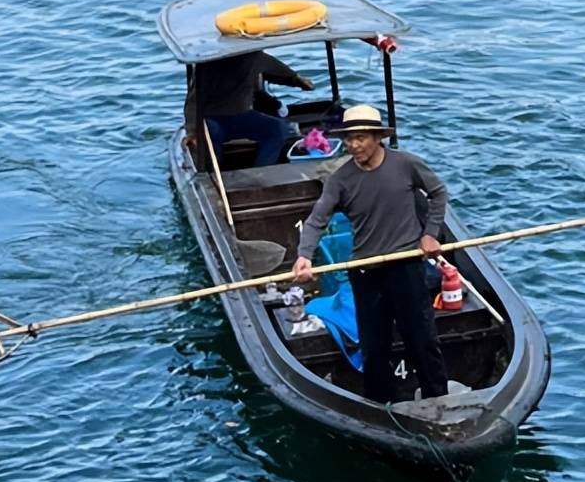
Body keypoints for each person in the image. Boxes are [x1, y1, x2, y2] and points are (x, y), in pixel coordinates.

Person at [292, 104, 449, 402]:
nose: (354, 145)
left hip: (406, 266)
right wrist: (304, 255)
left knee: (422, 340)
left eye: (361, 138)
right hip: (366, 272)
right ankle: (379, 405)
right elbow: (317, 220)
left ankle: (438, 400)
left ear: (377, 137)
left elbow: (439, 193)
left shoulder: (406, 165)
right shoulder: (341, 179)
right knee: (374, 347)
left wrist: (430, 234)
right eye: (350, 139)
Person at [183, 51, 313, 168]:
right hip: (212, 118)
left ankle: (262, 170)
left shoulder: (254, 57)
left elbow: (277, 68)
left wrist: (296, 79)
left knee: (278, 129)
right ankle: (213, 172)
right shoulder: (208, 64)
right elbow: (193, 100)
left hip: (241, 116)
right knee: (210, 135)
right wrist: (192, 131)